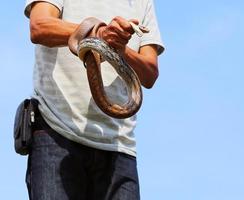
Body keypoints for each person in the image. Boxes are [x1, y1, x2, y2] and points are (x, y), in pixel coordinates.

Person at [24, 0, 164, 199]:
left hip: (118, 145)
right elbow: (40, 27)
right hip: (56, 132)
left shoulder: (143, 2)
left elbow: (150, 73)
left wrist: (118, 47)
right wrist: (98, 33)